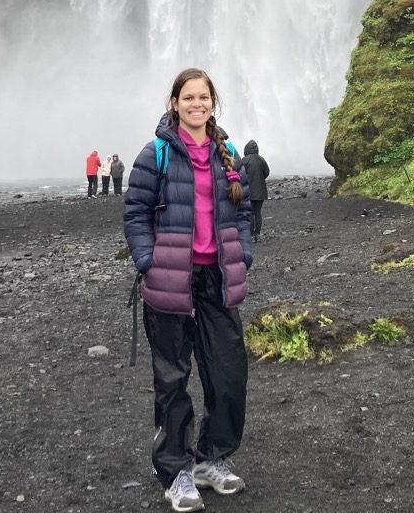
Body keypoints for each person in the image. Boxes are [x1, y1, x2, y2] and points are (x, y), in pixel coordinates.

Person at [123, 68, 252, 512]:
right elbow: (136, 213)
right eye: (188, 98)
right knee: (172, 378)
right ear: (174, 103)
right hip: (170, 277)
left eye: (204, 97)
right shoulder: (155, 153)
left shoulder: (227, 152)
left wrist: (243, 255)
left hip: (217, 275)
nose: (197, 104)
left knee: (228, 371)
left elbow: (243, 212)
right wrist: (148, 261)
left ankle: (212, 458)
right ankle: (176, 470)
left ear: (213, 102)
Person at [241, 140, 270, 242]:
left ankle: (252, 235)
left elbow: (239, 174)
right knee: (258, 212)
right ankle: (258, 233)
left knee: (251, 213)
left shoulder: (244, 160)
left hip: (248, 191)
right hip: (261, 191)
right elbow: (266, 172)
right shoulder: (261, 160)